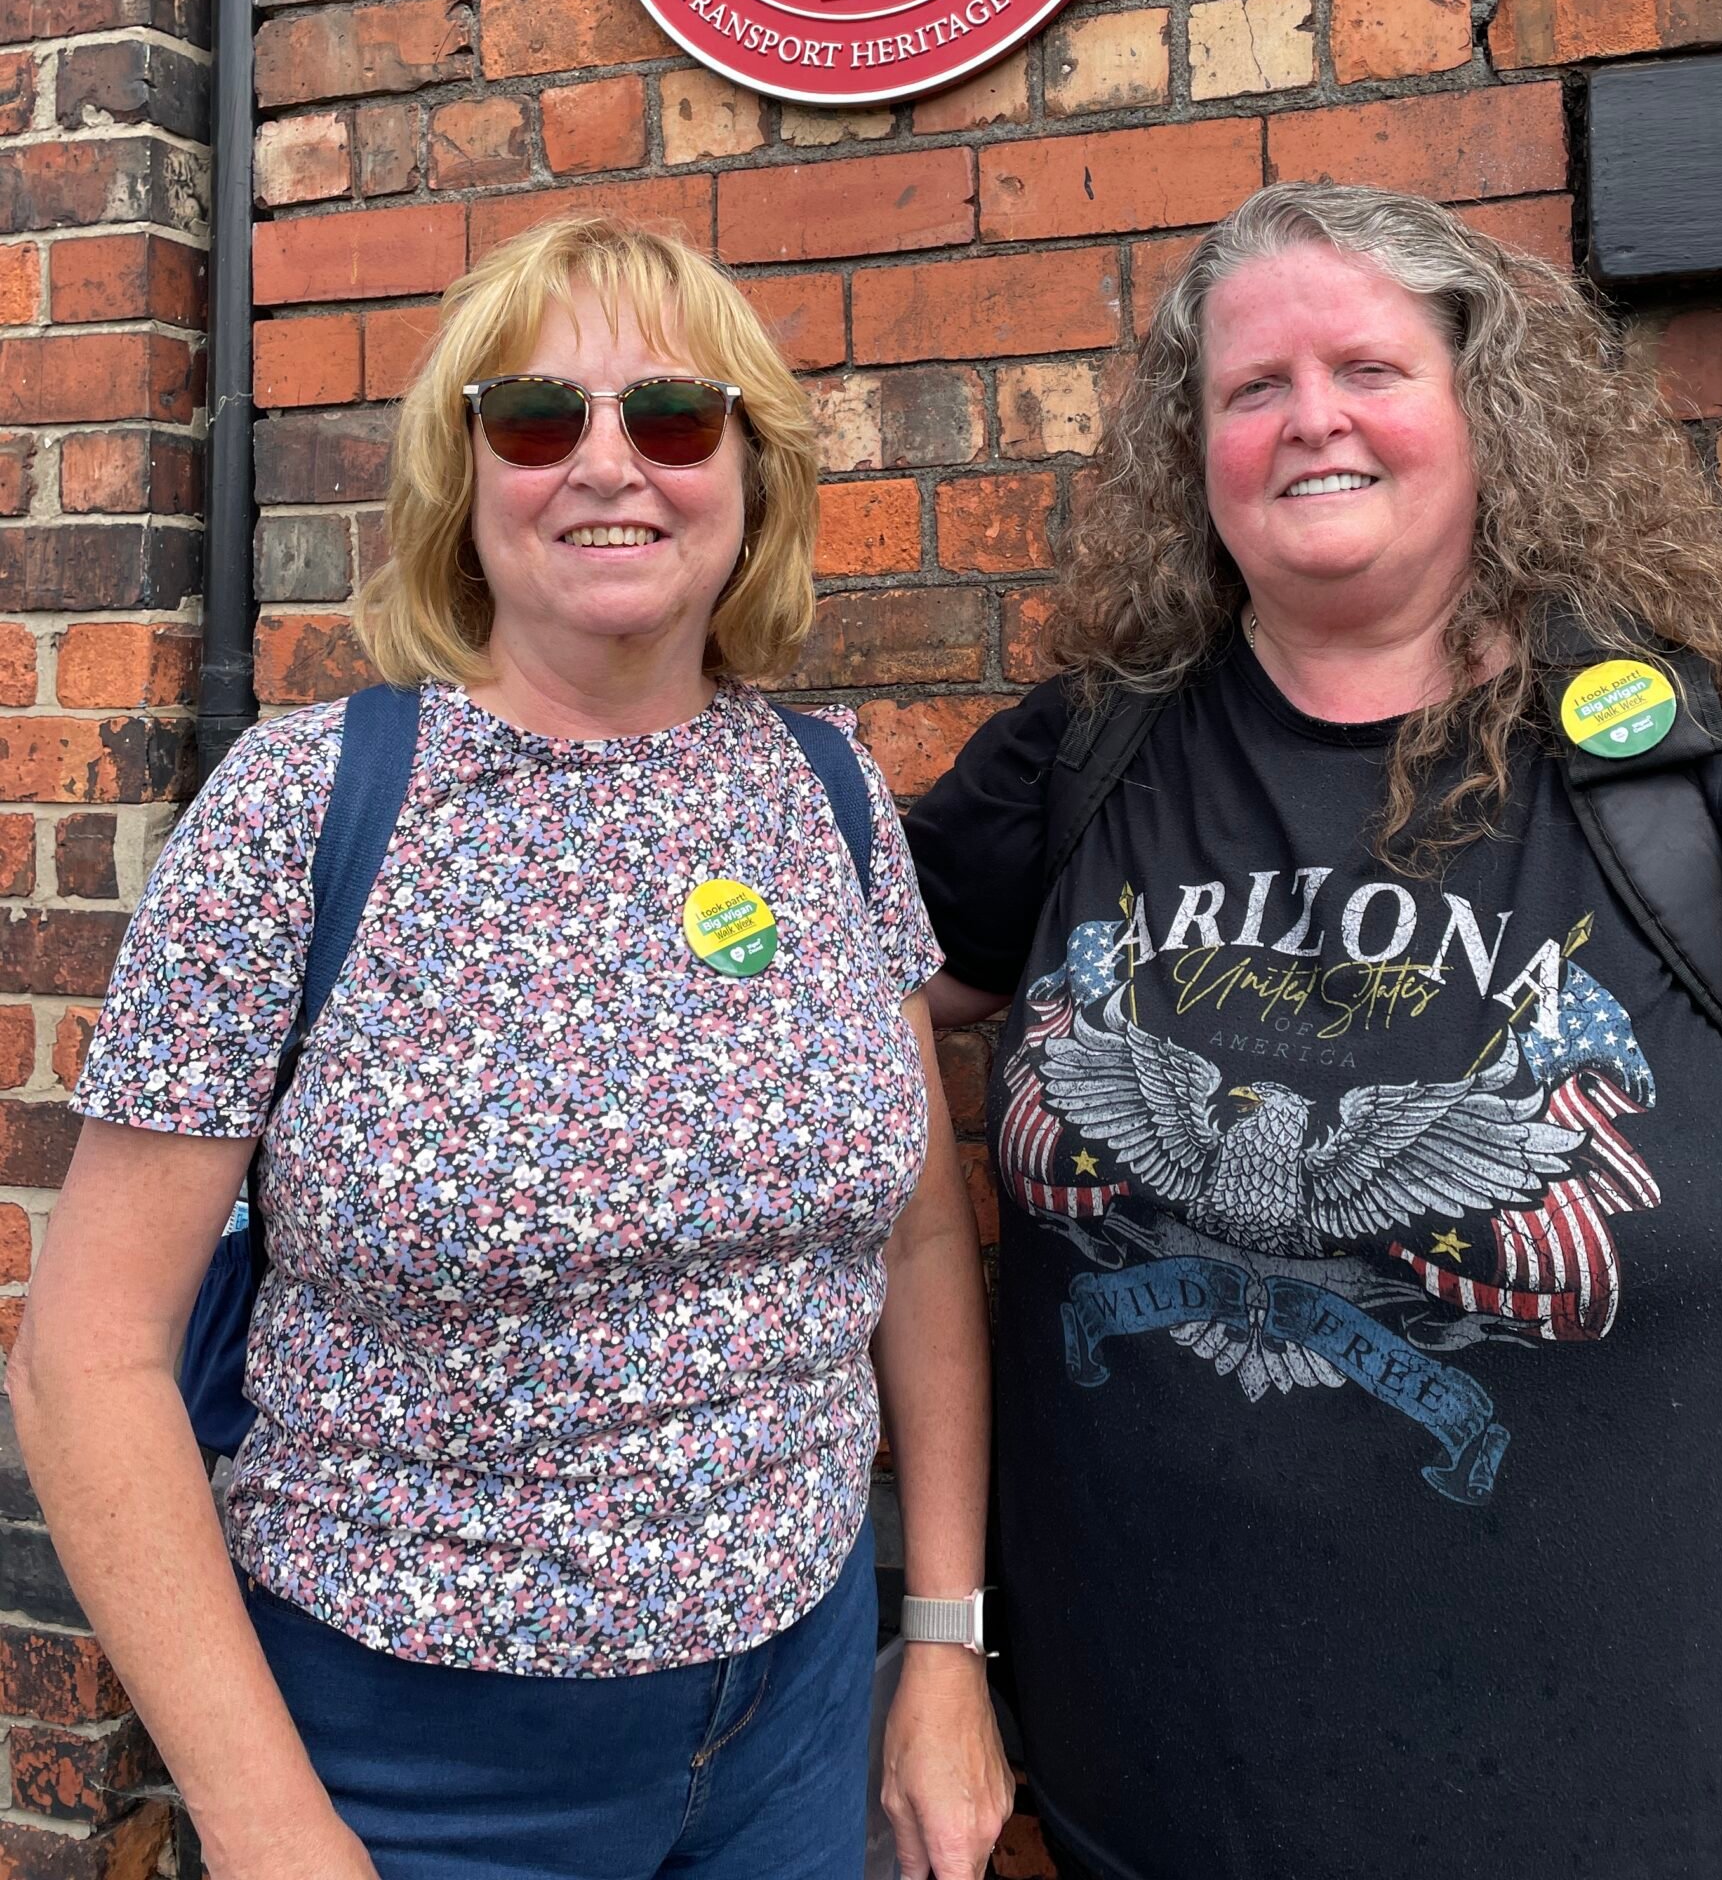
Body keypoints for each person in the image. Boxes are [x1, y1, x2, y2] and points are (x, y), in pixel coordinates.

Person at [906, 181, 1722, 1880]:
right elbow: (817, 1023)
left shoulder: (1721, 751)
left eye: (1369, 367)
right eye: (1253, 389)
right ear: (1195, 447)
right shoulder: (1092, 751)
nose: (1314, 420)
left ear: (1483, 408)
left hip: (1659, 1810)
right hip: (1149, 1802)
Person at [12, 214, 1011, 1880]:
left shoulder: (825, 797)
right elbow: (85, 1362)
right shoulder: (310, 804)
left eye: (673, 418)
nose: (607, 465)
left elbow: (914, 1235)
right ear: (462, 479)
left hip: (799, 1714)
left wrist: (947, 1642)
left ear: (747, 473)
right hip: (410, 1761)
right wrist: (271, 1830)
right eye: (540, 419)